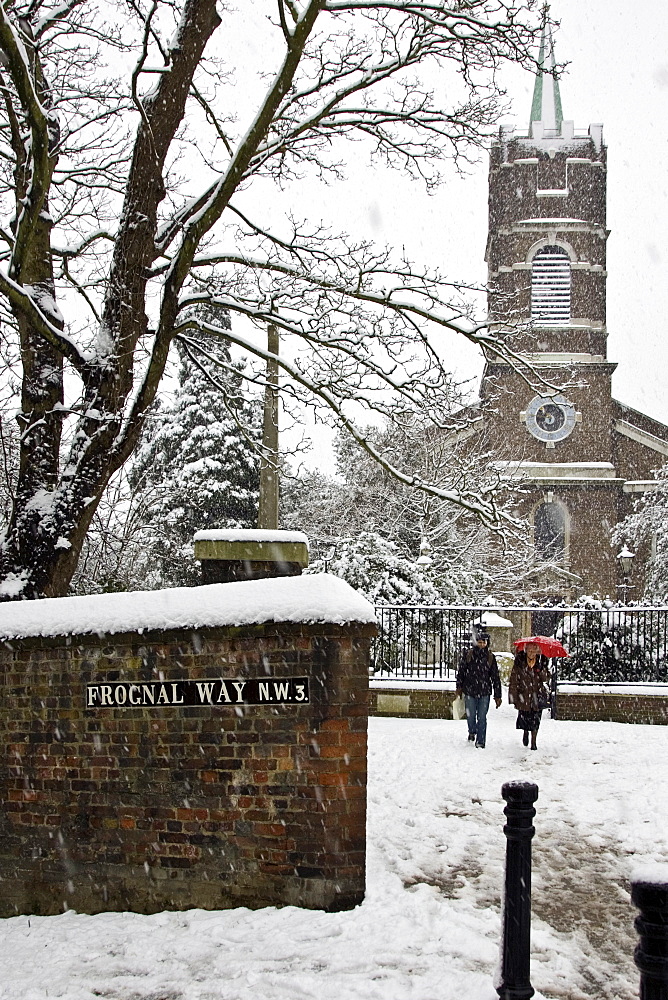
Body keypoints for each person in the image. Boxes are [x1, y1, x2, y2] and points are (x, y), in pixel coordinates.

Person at [455, 630, 502, 749]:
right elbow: (461, 671)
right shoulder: (469, 655)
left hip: (484, 692)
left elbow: (495, 677)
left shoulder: (490, 657)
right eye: (479, 642)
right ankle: (472, 731)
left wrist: (498, 695)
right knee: (470, 716)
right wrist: (459, 686)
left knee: (482, 717)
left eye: (483, 642)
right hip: (470, 690)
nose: (481, 644)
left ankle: (481, 741)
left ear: (487, 643)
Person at [508, 642, 551, 750]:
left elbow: (546, 678)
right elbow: (514, 679)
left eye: (534, 651)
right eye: (530, 651)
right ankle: (526, 732)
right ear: (526, 651)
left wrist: (541, 670)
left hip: (537, 694)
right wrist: (513, 696)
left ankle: (533, 741)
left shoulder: (542, 661)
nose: (532, 653)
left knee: (536, 719)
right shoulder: (520, 662)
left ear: (537, 651)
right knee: (525, 717)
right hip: (524, 694)